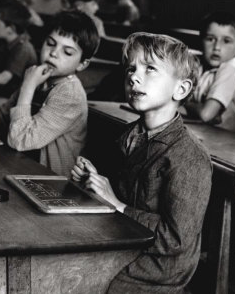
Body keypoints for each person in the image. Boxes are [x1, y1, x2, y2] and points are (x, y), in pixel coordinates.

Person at [72, 32, 212, 293]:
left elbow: (174, 240)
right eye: (131, 68)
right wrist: (93, 185)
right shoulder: (130, 136)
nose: (133, 77)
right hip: (125, 244)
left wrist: (117, 204)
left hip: (157, 272)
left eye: (150, 69)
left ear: (180, 89)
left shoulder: (189, 157)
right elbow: (128, 194)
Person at [0, 10, 100, 177]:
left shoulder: (70, 94)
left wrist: (28, 87)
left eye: (68, 52)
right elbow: (2, 114)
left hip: (50, 181)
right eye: (50, 43)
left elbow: (21, 140)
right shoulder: (40, 77)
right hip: (21, 167)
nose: (54, 53)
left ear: (82, 64)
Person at [181, 11, 235, 135]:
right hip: (210, 134)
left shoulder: (231, 70)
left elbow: (205, 114)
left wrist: (183, 101)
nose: (217, 46)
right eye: (210, 39)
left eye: (226, 41)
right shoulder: (198, 65)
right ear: (201, 41)